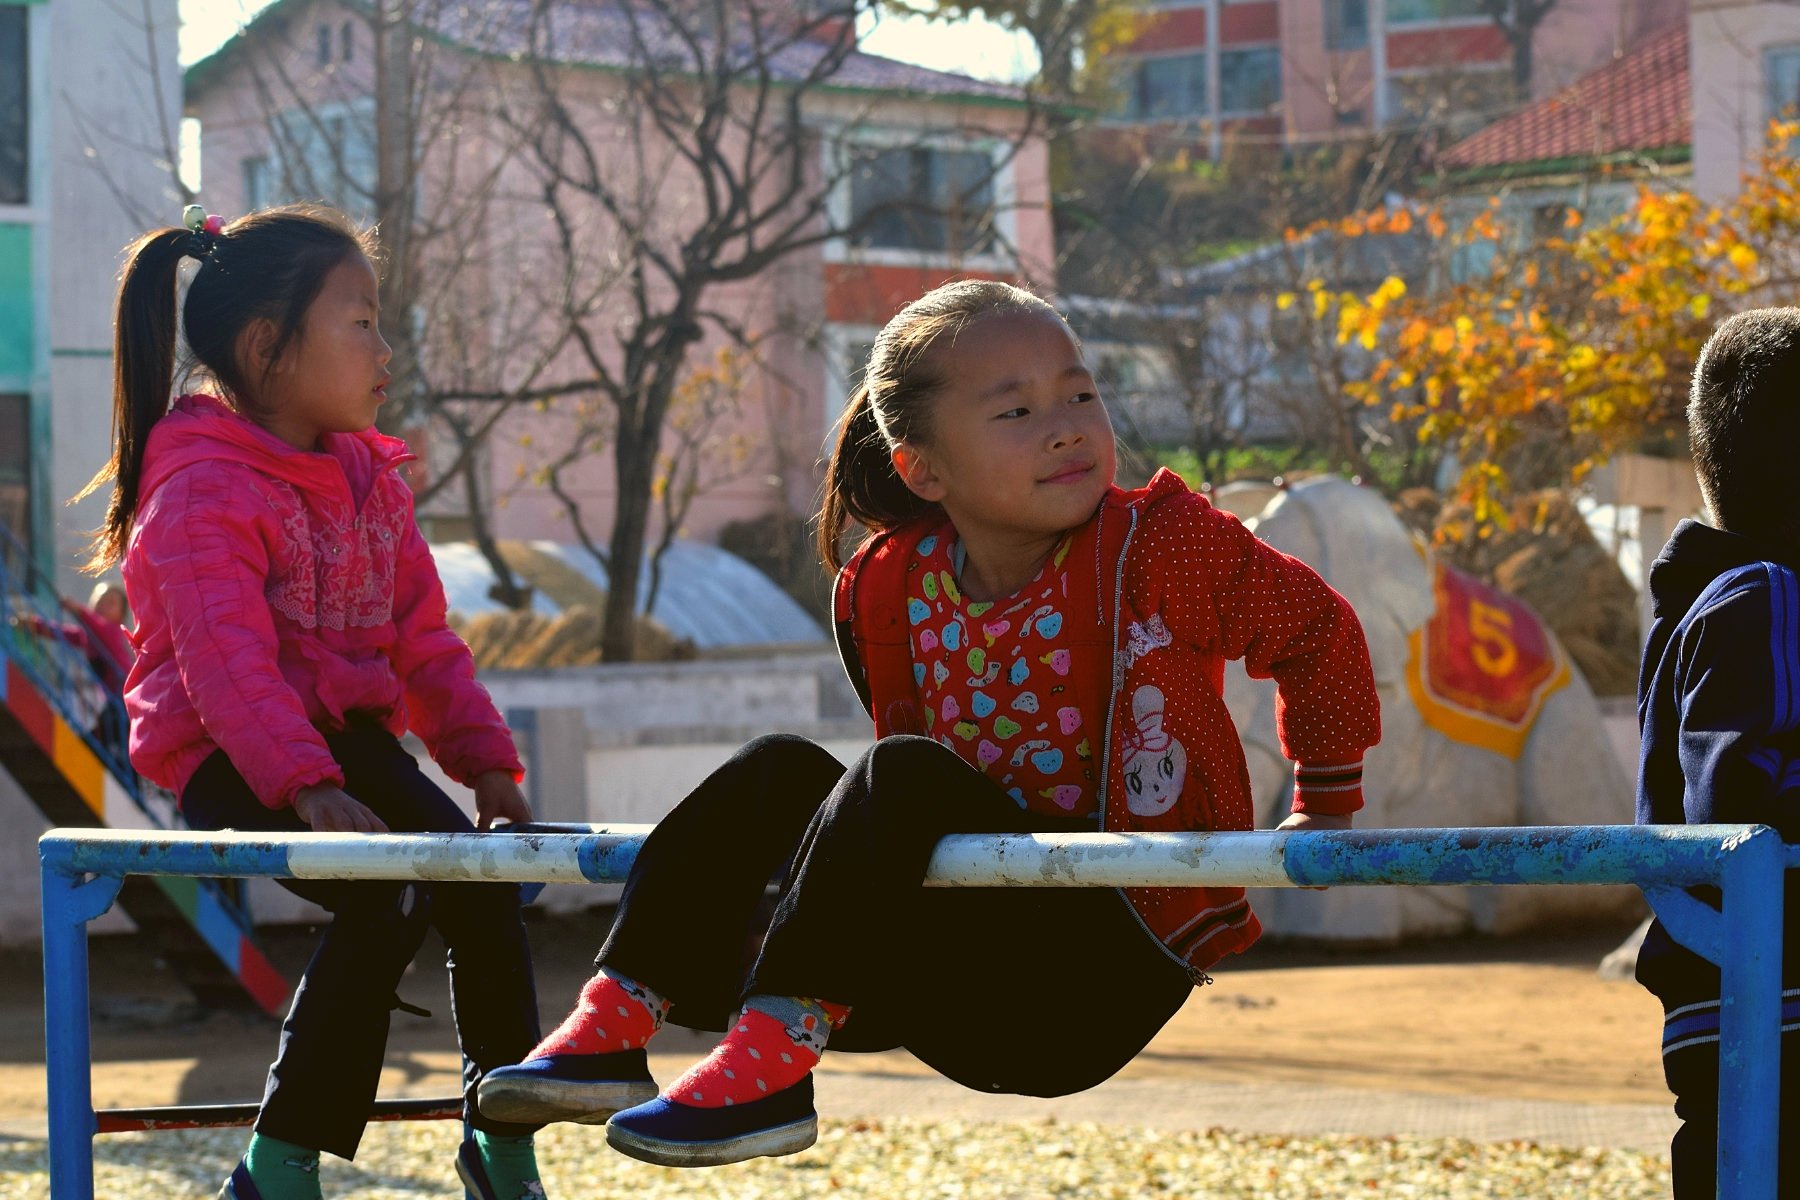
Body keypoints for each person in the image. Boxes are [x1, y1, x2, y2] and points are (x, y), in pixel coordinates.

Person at [477, 279, 1382, 1169]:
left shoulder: (1164, 544)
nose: (1068, 425)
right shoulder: (890, 587)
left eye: (1080, 393)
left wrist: (1327, 803)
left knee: (899, 771)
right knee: (778, 769)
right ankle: (614, 1021)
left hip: (1096, 968)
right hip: (957, 976)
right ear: (924, 469)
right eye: (1016, 412)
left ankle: (774, 1065)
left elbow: (1318, 630)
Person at [79, 203, 546, 1200]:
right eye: (362, 320)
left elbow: (423, 640)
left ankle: (501, 1140)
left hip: (350, 746)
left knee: (484, 882)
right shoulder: (204, 486)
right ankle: (278, 1164)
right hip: (227, 753)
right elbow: (225, 663)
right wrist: (303, 784)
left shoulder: (371, 482)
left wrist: (484, 761)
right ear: (267, 349)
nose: (385, 348)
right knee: (381, 898)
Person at [1635, 306, 1800, 1197]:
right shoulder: (1764, 596)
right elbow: (1739, 797)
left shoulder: (1718, 603)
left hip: (1744, 1019)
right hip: (1777, 1022)